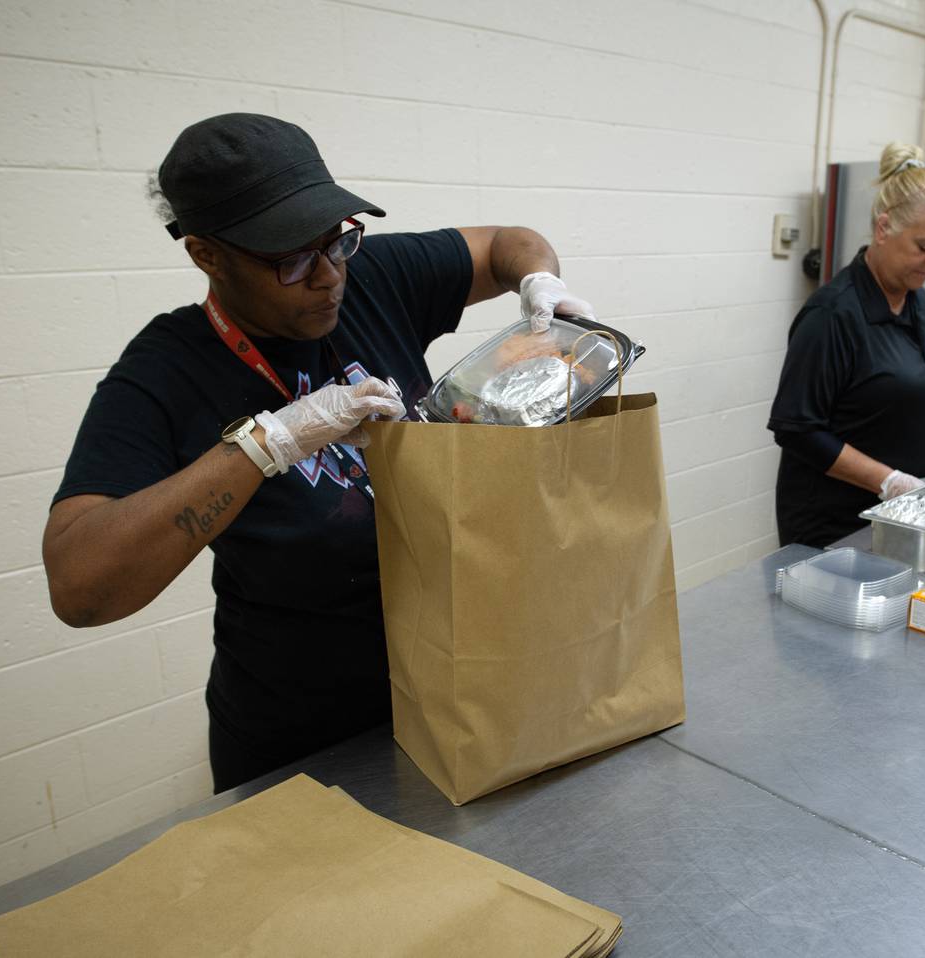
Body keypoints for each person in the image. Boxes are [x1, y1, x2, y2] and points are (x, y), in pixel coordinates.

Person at [41, 113, 596, 793]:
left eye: (336, 243)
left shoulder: (371, 279)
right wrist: (271, 443)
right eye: (291, 259)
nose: (327, 276)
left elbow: (512, 242)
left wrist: (540, 281)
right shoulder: (168, 369)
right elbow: (80, 587)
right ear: (206, 255)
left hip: (453, 683)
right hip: (304, 736)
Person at [768, 143, 925, 548]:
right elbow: (798, 430)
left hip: (907, 521)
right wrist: (887, 481)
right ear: (883, 228)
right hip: (837, 527)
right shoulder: (833, 315)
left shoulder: (918, 301)